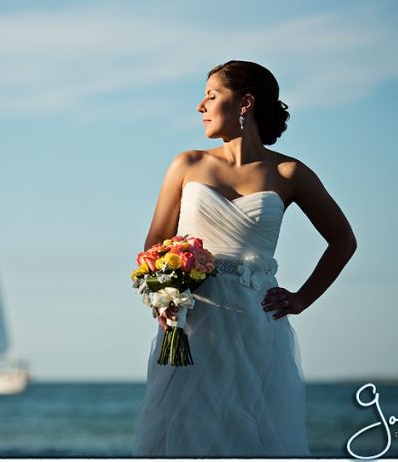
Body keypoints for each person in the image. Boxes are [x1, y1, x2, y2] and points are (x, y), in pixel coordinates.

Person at [132, 60, 357, 457]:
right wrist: (161, 302)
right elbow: (153, 248)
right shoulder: (187, 165)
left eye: (211, 95)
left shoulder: (289, 173)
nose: (199, 106)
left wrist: (302, 298)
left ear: (245, 103)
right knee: (186, 436)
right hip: (195, 326)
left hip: (258, 323)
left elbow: (342, 241)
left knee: (255, 437)